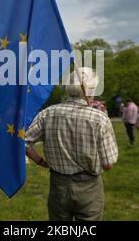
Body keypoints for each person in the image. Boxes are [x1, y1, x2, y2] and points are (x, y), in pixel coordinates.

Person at [25, 75, 119, 221]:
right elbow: (108, 164)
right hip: (88, 186)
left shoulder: (48, 113)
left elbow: (24, 141)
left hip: (58, 184)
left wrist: (40, 161)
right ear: (90, 90)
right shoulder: (99, 118)